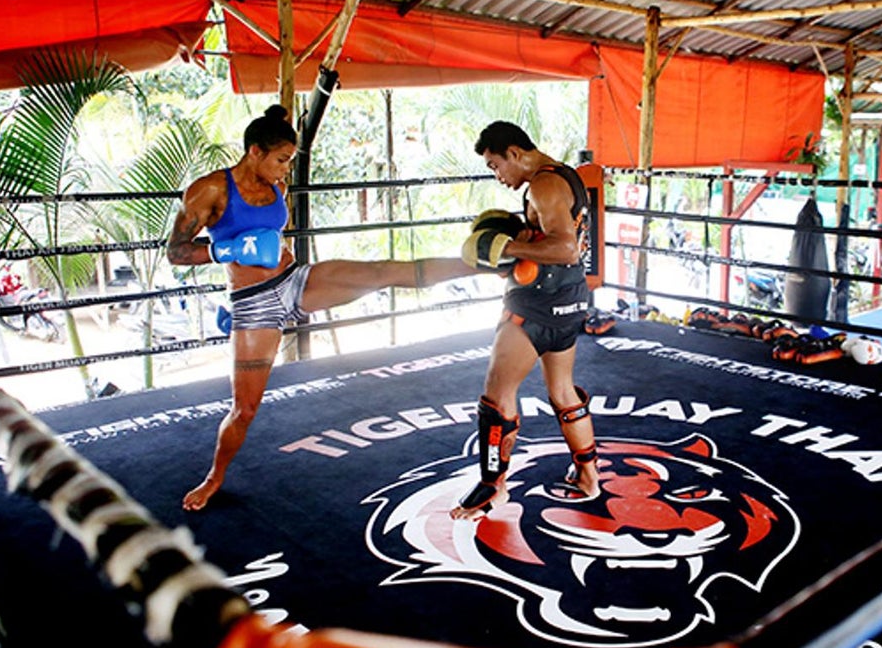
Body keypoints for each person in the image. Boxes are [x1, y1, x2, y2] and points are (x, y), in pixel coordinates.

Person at [167, 104, 476, 511]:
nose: (284, 171)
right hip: (254, 306)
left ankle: (479, 263)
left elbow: (276, 238)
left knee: (382, 271)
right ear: (254, 152)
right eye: (280, 160)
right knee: (244, 409)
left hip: (295, 282)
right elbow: (175, 252)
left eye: (290, 162)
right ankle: (214, 477)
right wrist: (224, 250)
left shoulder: (278, 187)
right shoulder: (209, 190)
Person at [450, 120, 600, 521]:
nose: (498, 176)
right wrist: (522, 239)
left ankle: (491, 487)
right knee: (563, 391)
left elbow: (566, 248)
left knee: (497, 397)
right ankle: (589, 476)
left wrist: (504, 246)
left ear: (515, 153)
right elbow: (561, 238)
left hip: (533, 307)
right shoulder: (565, 177)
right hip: (569, 300)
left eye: (495, 165)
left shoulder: (542, 184)